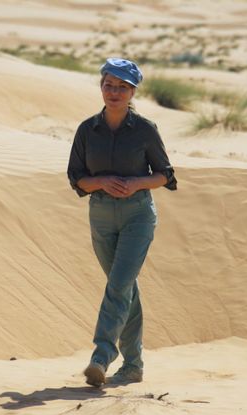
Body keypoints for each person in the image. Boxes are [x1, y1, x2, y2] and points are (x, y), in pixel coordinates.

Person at [67, 58, 177, 387]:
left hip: (137, 215)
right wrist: (101, 182)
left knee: (117, 286)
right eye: (109, 85)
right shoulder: (88, 129)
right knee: (125, 287)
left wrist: (135, 183)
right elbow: (77, 179)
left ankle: (101, 356)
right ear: (101, 87)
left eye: (122, 87)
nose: (114, 92)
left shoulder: (145, 129)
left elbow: (165, 176)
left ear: (133, 92)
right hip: (100, 216)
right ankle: (133, 365)